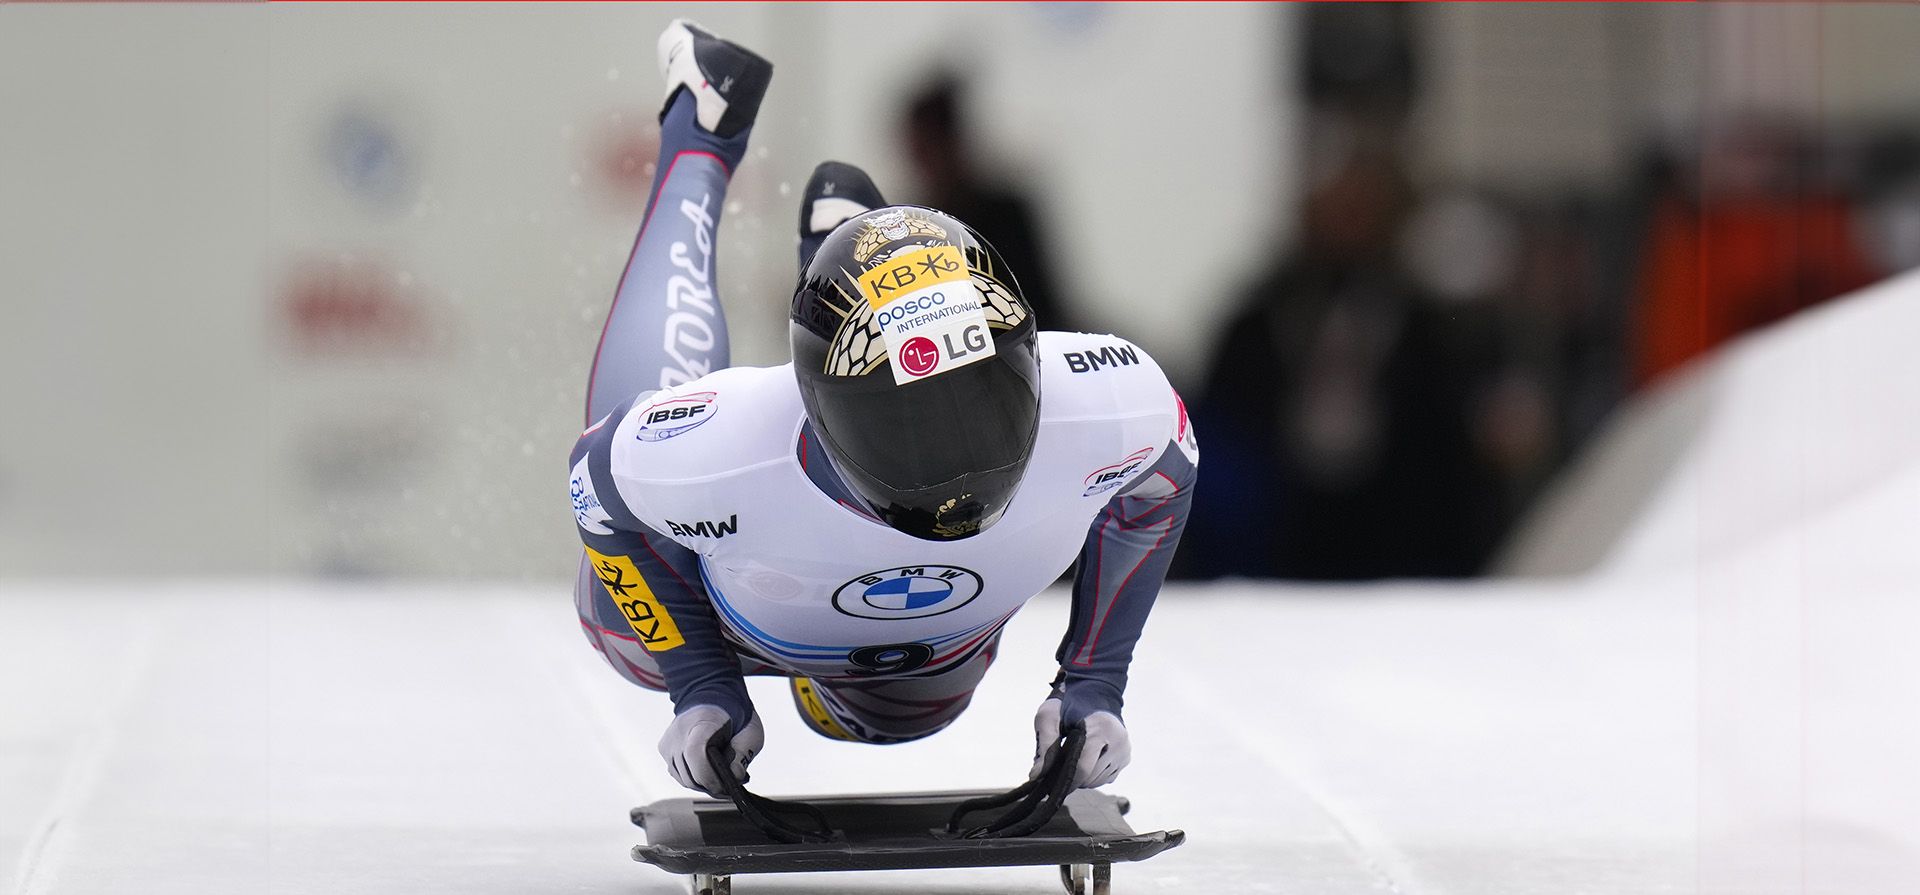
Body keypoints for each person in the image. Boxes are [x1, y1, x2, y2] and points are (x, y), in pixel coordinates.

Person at [568, 21, 1197, 797]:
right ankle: (701, 135)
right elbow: (596, 478)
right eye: (903, 423)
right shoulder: (734, 444)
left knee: (903, 715)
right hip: (730, 607)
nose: (954, 465)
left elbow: (1167, 470)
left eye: (986, 399)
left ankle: (825, 244)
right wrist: (699, 679)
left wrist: (1094, 684)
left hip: (901, 634)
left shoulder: (1109, 403)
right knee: (615, 622)